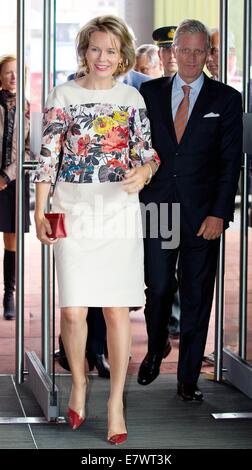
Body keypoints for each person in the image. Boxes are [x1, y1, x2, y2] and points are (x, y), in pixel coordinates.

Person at [34, 15, 160, 443]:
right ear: (84, 51)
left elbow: (149, 154)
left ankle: (115, 401)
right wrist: (39, 210)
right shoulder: (63, 94)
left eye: (111, 50)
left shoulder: (132, 99)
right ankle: (80, 382)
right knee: (72, 309)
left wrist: (143, 172)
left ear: (122, 54)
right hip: (71, 205)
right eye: (95, 48)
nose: (102, 57)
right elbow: (48, 158)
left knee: (116, 309)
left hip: (118, 210)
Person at [137, 19, 243, 401]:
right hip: (158, 208)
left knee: (198, 295)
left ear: (209, 54)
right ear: (172, 52)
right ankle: (155, 347)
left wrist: (220, 212)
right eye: (185, 50)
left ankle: (188, 379)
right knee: (160, 288)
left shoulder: (226, 99)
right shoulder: (148, 93)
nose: (192, 57)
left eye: (200, 51)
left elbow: (230, 162)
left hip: (203, 215)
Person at [152, 25, 181, 340]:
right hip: (157, 193)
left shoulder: (204, 90)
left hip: (189, 194)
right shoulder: (147, 92)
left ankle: (178, 320)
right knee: (160, 269)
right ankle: (165, 323)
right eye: (165, 49)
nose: (171, 55)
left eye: (176, 48)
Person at [0, 54, 30, 320]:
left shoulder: (28, 107)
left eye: (17, 72)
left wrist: (7, 176)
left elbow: (29, 149)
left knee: (12, 240)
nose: (12, 76)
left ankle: (9, 294)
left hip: (13, 181)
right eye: (8, 72)